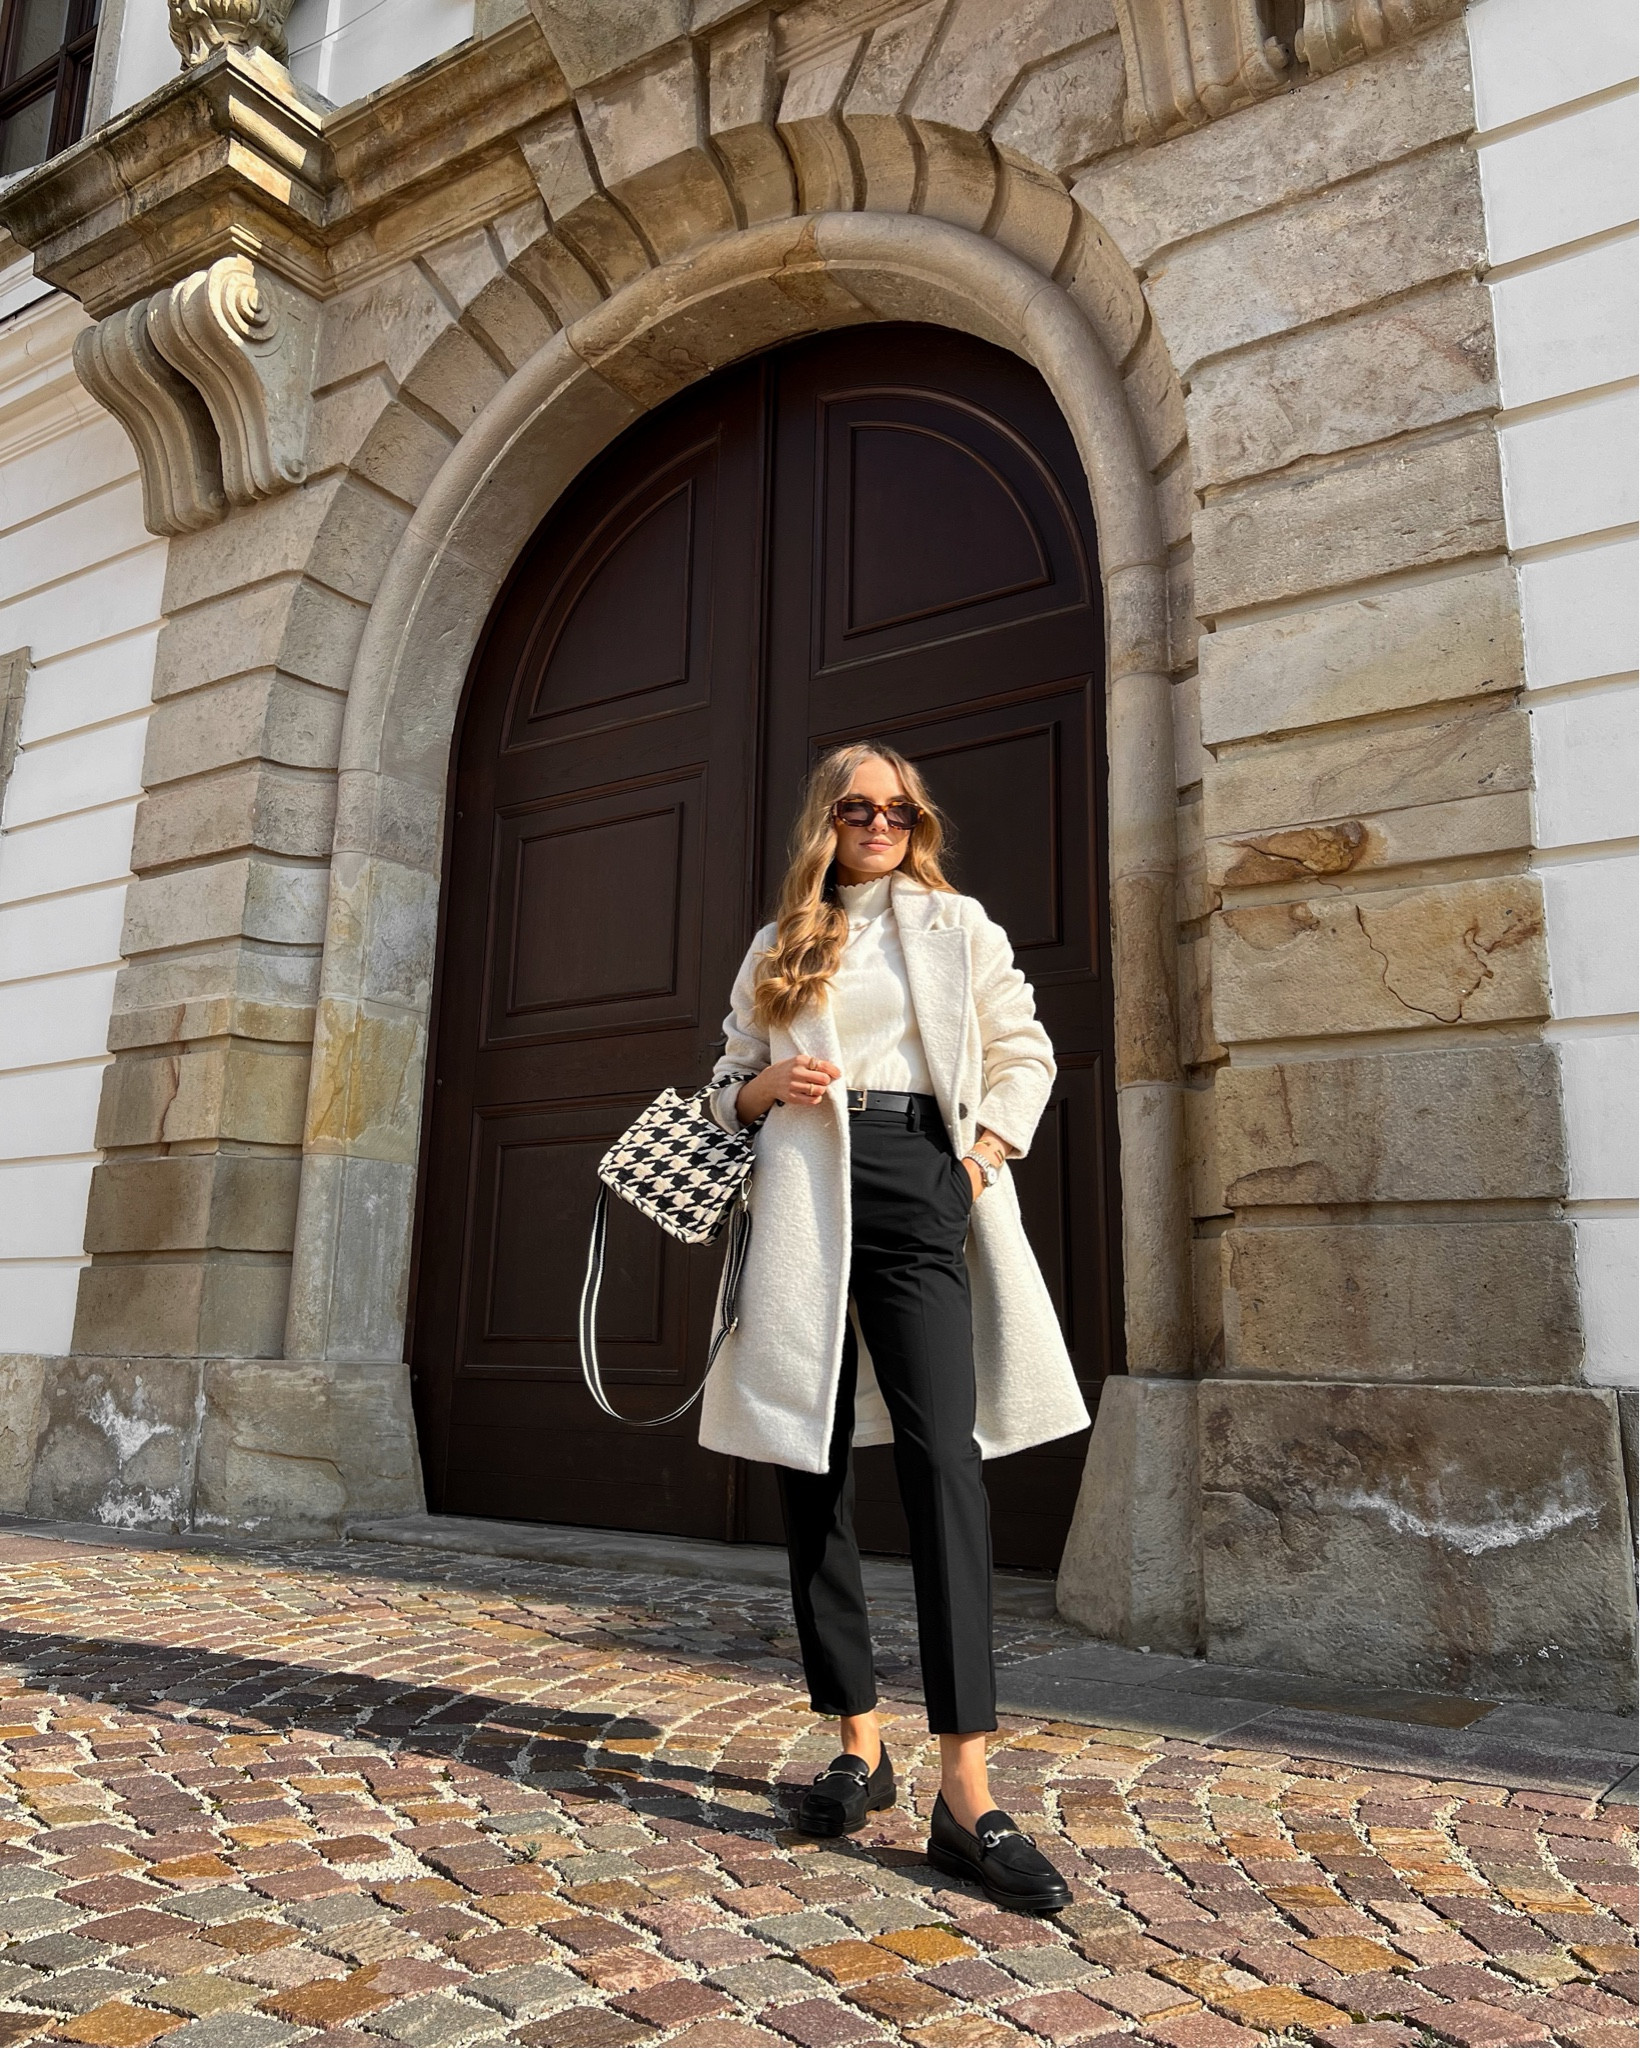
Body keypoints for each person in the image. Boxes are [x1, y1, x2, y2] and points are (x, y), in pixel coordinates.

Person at [700, 741, 1090, 1914]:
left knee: (942, 1466)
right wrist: (765, 1091)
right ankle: (857, 1746)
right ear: (826, 820)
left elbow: (1023, 1049)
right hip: (804, 1189)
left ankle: (964, 1789)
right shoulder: (777, 945)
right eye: (858, 807)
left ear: (916, 822)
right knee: (807, 1459)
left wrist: (977, 1158)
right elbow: (725, 1078)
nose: (878, 822)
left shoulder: (955, 924)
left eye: (897, 808)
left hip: (921, 1173)